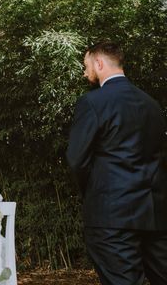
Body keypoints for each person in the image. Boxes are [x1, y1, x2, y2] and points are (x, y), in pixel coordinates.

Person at [67, 41, 167, 285]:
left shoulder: (92, 103)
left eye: (86, 65)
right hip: (155, 215)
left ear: (99, 63)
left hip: (111, 217)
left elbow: (77, 160)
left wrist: (94, 194)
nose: (84, 72)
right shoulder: (152, 105)